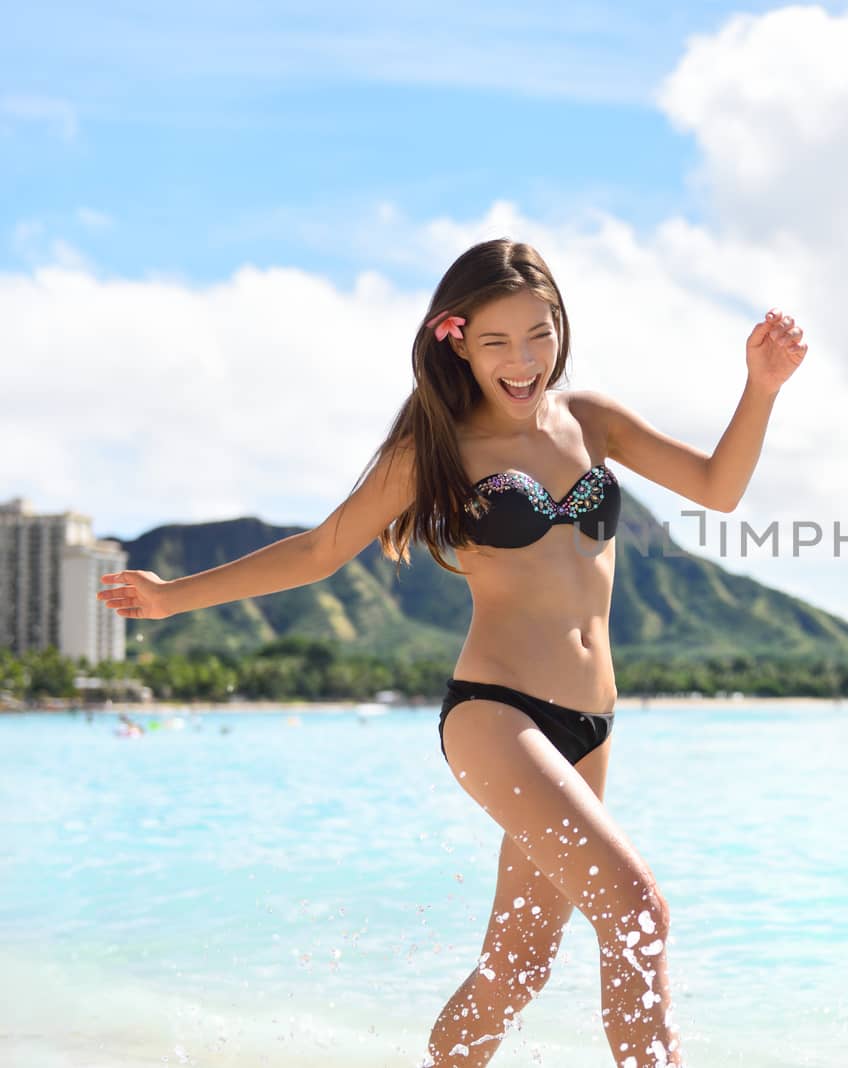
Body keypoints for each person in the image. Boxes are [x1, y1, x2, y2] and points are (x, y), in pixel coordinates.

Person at [95, 238, 809, 1068]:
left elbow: (720, 486)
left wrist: (760, 388)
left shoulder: (593, 421)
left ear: (561, 329)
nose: (523, 361)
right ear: (458, 341)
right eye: (498, 341)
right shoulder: (435, 449)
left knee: (520, 965)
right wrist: (171, 596)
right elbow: (318, 551)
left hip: (592, 724)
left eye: (539, 335)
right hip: (497, 713)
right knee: (638, 911)